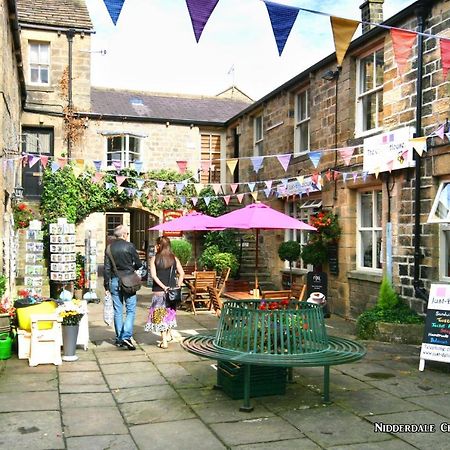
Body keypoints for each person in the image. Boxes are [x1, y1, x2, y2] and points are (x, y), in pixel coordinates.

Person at [104, 225, 142, 350]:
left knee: (118, 310)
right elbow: (139, 264)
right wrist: (131, 268)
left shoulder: (109, 248)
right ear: (125, 234)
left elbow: (107, 269)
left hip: (114, 280)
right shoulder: (129, 246)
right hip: (129, 280)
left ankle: (120, 338)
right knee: (130, 310)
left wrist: (106, 285)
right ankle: (126, 336)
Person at [145, 236, 184, 349]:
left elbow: (154, 276)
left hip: (159, 292)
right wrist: (178, 286)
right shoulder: (174, 258)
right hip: (172, 292)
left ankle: (164, 340)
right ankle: (167, 336)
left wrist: (163, 287)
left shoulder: (154, 259)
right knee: (169, 315)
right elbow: (181, 273)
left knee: (159, 315)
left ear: (159, 246)